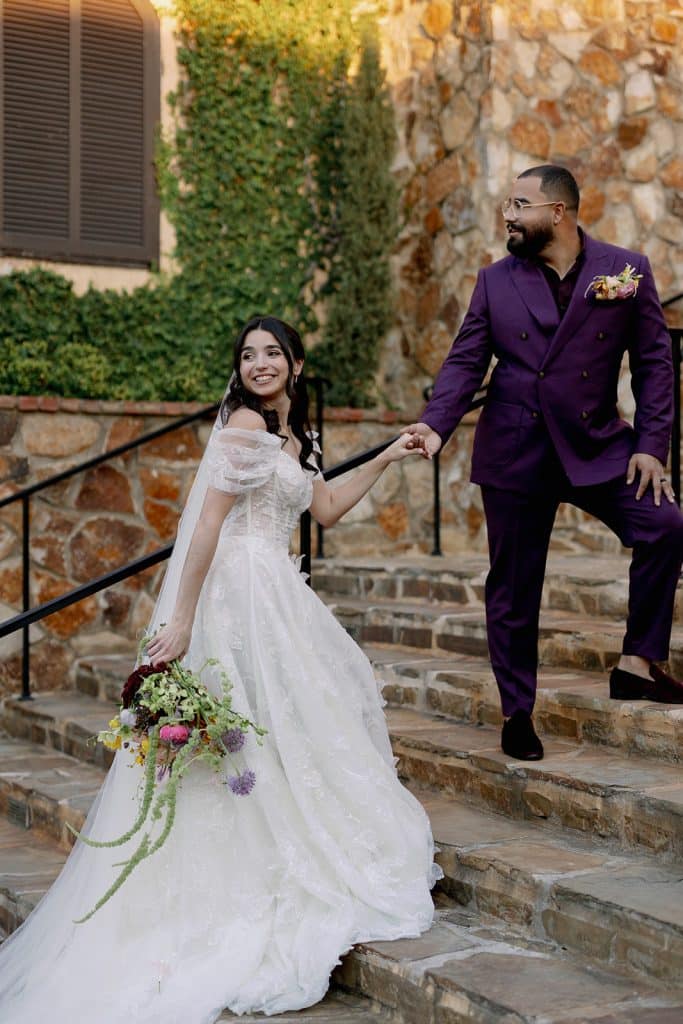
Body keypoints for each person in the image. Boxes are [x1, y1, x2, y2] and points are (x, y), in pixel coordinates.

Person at [0, 315, 440, 1022]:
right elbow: (205, 524)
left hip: (278, 595)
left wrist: (387, 455)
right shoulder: (243, 425)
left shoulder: (294, 436)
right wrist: (180, 617)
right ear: (240, 369)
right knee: (245, 731)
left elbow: (322, 510)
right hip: (236, 597)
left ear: (296, 364)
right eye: (247, 354)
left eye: (272, 353)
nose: (259, 363)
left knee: (286, 728)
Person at [405, 164, 683, 762]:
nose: (508, 215)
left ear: (557, 212)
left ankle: (638, 663)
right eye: (507, 204)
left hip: (597, 441)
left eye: (519, 204)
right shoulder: (495, 281)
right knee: (513, 586)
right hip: (517, 445)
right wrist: (435, 423)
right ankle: (517, 712)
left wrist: (650, 445)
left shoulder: (624, 271)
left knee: (664, 525)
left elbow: (657, 364)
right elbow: (465, 361)